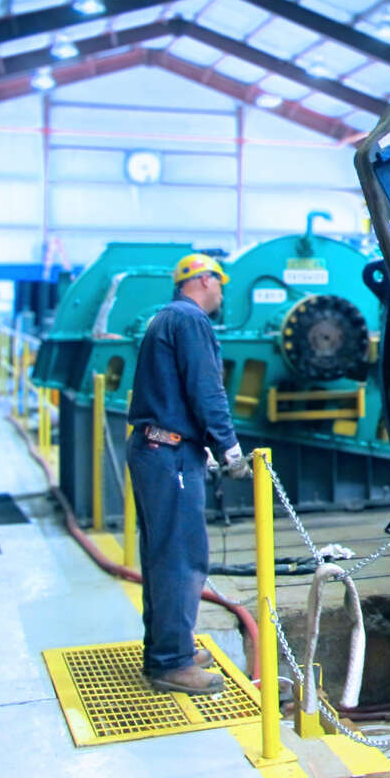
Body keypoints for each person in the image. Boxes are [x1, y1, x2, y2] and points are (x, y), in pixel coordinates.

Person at [126, 252, 249, 695]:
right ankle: (172, 662)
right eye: (219, 282)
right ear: (201, 280)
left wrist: (205, 449)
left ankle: (164, 648)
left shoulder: (165, 319)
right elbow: (205, 388)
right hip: (171, 457)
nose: (221, 291)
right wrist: (229, 449)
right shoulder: (191, 321)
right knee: (181, 557)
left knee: (162, 554)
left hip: (158, 448)